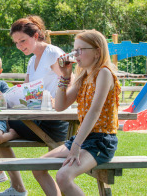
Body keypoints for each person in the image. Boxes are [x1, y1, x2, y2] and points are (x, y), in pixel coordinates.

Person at [0, 15, 69, 196]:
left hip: (53, 121)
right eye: (16, 42)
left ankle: (4, 177)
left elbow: (68, 81)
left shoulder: (53, 53)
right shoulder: (32, 61)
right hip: (36, 118)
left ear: (36, 35)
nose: (20, 45)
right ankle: (2, 175)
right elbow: (25, 91)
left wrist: (56, 100)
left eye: (23, 40)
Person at [32, 30, 120, 195]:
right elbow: (60, 106)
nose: (75, 54)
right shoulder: (83, 77)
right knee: (37, 166)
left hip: (101, 140)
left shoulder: (104, 73)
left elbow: (94, 112)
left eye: (81, 50)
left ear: (97, 52)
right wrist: (64, 76)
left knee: (63, 176)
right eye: (74, 50)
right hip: (84, 138)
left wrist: (76, 146)